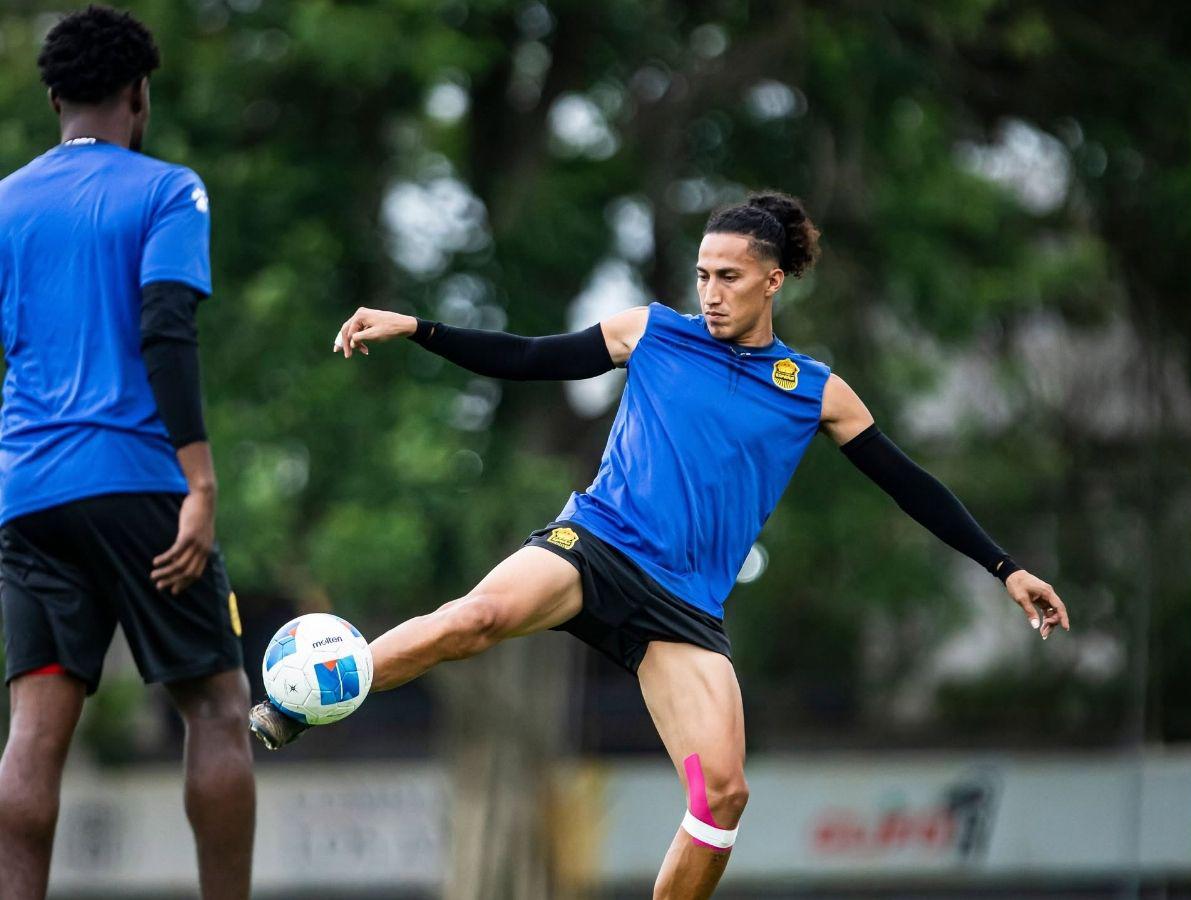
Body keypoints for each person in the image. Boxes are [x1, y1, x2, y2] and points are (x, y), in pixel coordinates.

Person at [250, 190, 1069, 899]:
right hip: (594, 545)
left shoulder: (816, 392)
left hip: (683, 608)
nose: (710, 293)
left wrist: (1005, 567)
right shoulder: (652, 332)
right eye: (703, 275)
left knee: (723, 795)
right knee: (476, 619)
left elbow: (910, 484)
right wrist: (417, 327)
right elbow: (531, 357)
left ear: (774, 280)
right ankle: (297, 703)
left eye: (730, 277)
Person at [0, 7, 254, 899]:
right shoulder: (168, 191)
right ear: (139, 96)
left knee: (34, 731)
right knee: (217, 708)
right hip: (143, 486)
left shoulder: (5, 203)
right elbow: (166, 328)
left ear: (53, 99)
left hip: (29, 497)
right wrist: (200, 481)